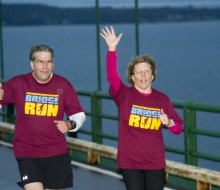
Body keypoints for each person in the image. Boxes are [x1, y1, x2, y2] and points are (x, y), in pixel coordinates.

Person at [100, 26, 184, 190]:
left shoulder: (161, 99)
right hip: (130, 161)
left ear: (153, 75)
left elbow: (179, 129)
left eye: (147, 72)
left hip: (155, 161)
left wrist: (169, 122)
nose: (143, 75)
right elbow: (112, 76)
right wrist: (112, 49)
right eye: (139, 72)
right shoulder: (124, 95)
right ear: (132, 77)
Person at [0, 44, 86, 190]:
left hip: (56, 152)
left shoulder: (63, 85)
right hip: (27, 153)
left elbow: (79, 115)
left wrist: (69, 124)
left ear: (53, 64)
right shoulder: (18, 84)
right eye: (40, 62)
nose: (45, 66)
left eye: (49, 62)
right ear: (32, 64)